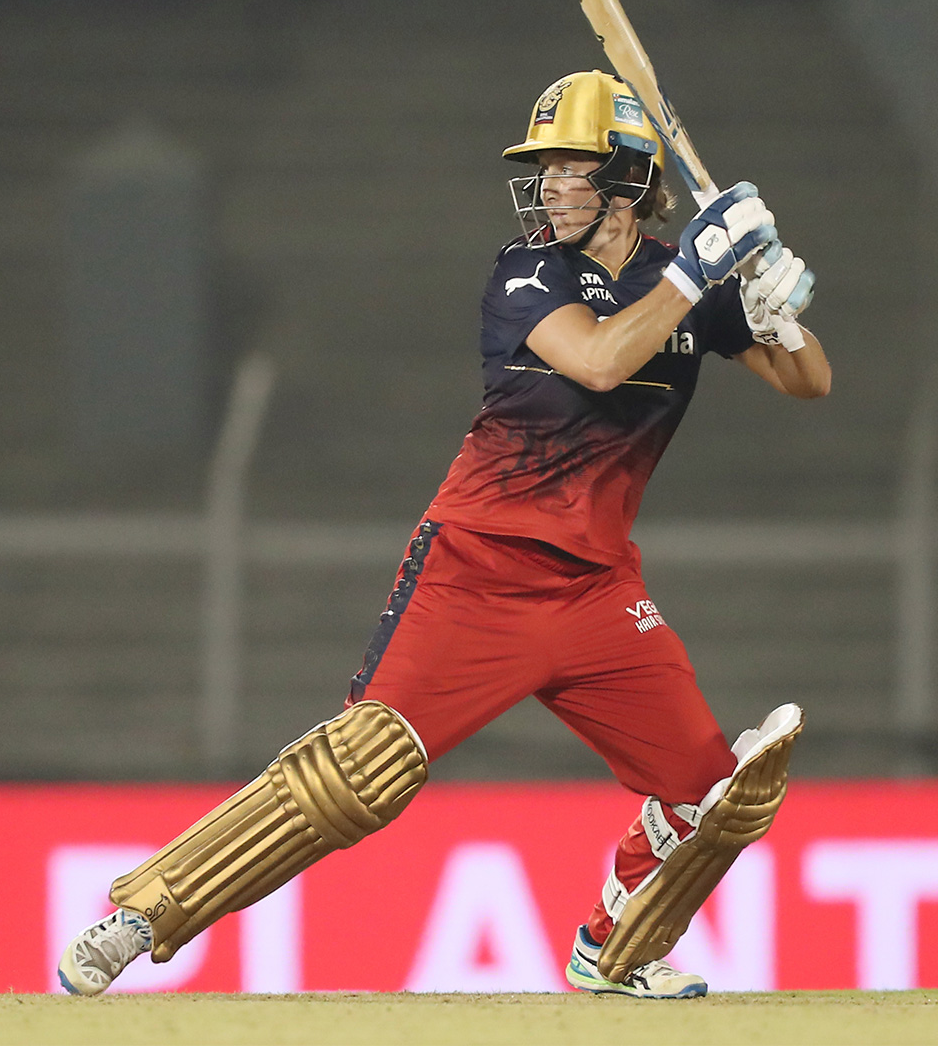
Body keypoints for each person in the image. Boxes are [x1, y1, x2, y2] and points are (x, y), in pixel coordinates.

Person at [57, 71, 831, 1000]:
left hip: (596, 593)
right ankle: (144, 913)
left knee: (718, 794)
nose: (548, 184)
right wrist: (696, 273)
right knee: (360, 771)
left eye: (570, 166)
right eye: (542, 167)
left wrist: (772, 294)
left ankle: (614, 949)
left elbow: (809, 383)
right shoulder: (527, 271)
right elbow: (597, 359)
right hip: (478, 570)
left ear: (627, 175)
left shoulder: (687, 284)